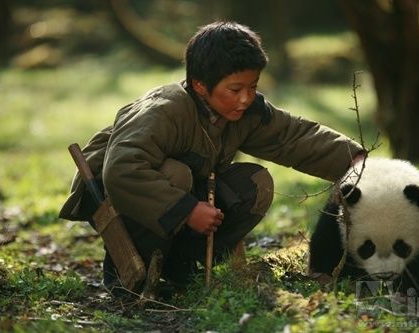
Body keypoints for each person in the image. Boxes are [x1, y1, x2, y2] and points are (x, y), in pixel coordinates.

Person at [59, 21, 365, 295]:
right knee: (176, 174)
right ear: (200, 86)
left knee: (256, 183)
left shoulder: (243, 110)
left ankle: (178, 265)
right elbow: (122, 170)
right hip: (112, 195)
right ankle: (125, 274)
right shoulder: (165, 109)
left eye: (253, 86)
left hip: (177, 194)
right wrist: (187, 210)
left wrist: (354, 160)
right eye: (235, 89)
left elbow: (293, 136)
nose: (246, 98)